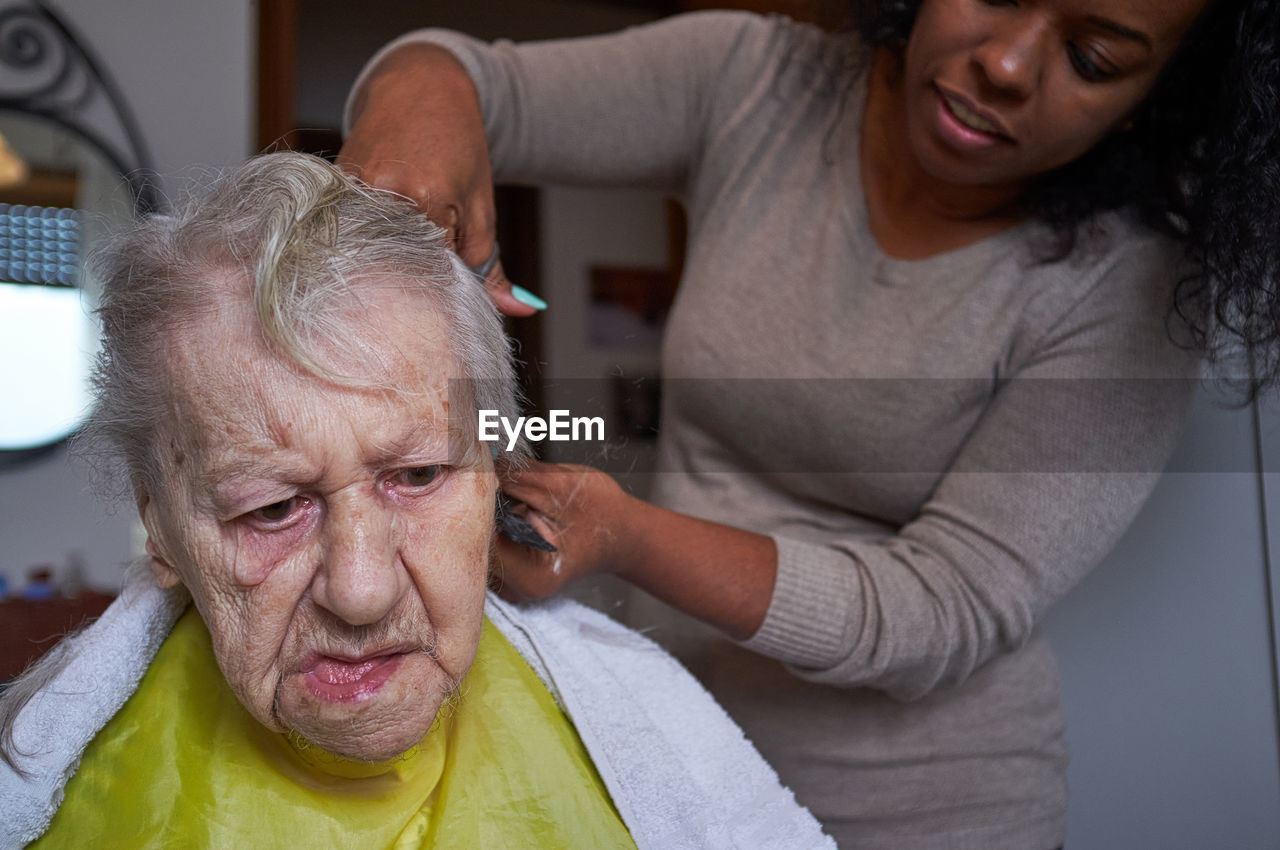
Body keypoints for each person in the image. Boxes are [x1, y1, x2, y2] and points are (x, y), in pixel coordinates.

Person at [338, 1, 1280, 847]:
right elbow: (462, 74)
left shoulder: (1128, 287)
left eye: (1094, 58)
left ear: (1161, 95)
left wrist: (623, 535)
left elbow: (943, 607)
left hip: (925, 815)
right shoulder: (758, 82)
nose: (1008, 65)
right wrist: (424, 116)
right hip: (684, 769)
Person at [0, 152, 835, 849]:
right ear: (162, 528)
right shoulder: (55, 798)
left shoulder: (655, 745)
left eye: (419, 476)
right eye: (270, 509)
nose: (362, 593)